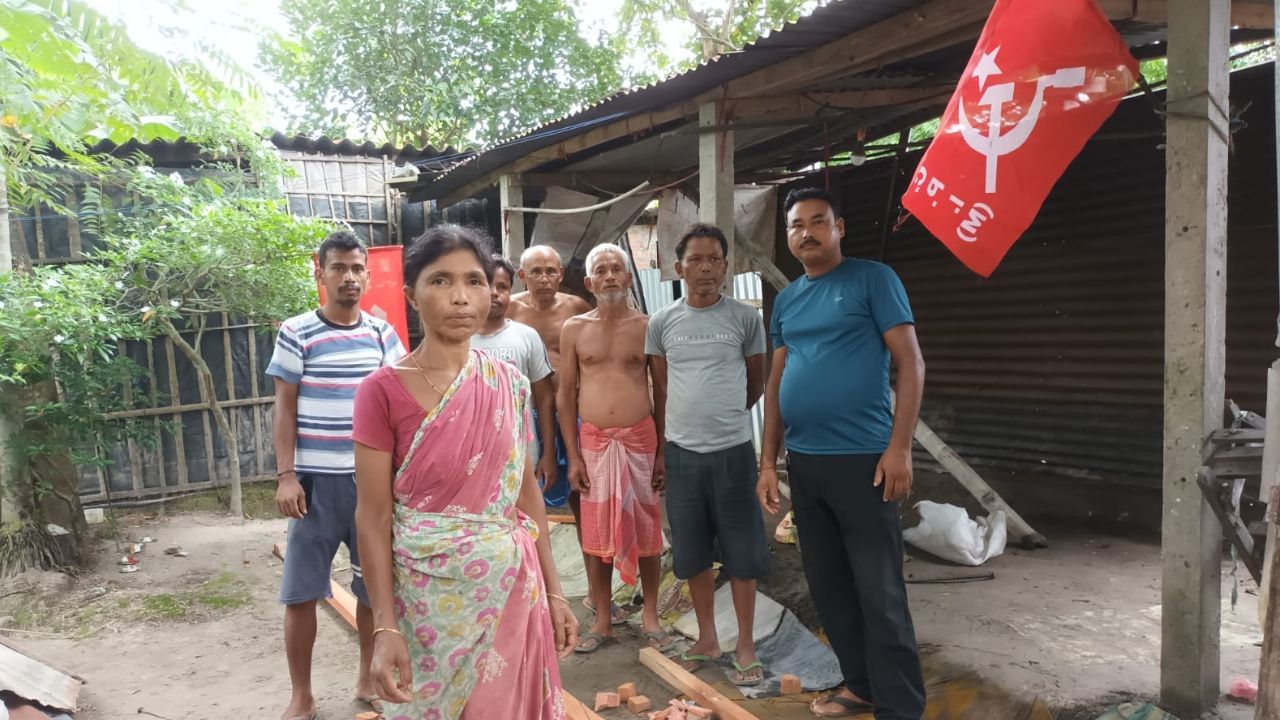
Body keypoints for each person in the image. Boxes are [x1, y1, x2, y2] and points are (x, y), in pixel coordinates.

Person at [351, 225, 578, 720]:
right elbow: (373, 517)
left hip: (513, 592)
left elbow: (525, 497)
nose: (461, 298)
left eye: (475, 281)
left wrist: (556, 591)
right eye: (441, 281)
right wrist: (385, 627)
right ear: (411, 294)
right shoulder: (381, 392)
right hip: (427, 602)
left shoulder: (509, 383)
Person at [757, 188, 927, 720]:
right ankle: (861, 687)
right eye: (796, 226)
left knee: (879, 590)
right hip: (806, 464)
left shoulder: (873, 279)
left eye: (818, 222)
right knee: (830, 585)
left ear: (839, 227)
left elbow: (912, 364)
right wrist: (769, 461)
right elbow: (778, 378)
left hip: (866, 460)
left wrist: (899, 449)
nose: (806, 232)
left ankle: (900, 706)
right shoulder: (787, 300)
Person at [267, 230, 406, 720]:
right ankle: (301, 695)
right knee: (302, 591)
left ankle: (368, 679)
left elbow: (397, 409)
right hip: (312, 485)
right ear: (319, 271)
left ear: (367, 274)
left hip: (373, 485)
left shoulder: (382, 336)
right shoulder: (298, 332)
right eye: (338, 268)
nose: (349, 277)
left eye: (356, 268)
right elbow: (284, 409)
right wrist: (286, 475)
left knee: (372, 588)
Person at [646, 223, 770, 684]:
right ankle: (706, 638)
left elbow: (756, 382)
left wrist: (724, 416)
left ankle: (744, 645)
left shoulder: (744, 319)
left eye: (714, 259)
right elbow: (661, 389)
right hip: (682, 455)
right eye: (695, 260)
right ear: (678, 268)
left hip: (734, 452)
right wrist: (666, 447)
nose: (704, 268)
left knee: (742, 552)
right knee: (693, 551)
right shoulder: (662, 323)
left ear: (725, 266)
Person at [558, 242, 673, 655]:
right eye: (601, 270)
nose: (609, 276)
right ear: (589, 282)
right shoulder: (574, 328)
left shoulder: (648, 325)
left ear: (627, 277)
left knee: (647, 530)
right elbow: (564, 395)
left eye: (616, 269)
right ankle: (602, 619)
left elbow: (662, 390)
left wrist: (662, 451)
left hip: (640, 440)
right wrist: (572, 455)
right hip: (593, 443)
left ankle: (651, 616)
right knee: (595, 534)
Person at [507, 245, 591, 508]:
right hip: (528, 415)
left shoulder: (576, 307)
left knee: (581, 489)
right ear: (522, 275)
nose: (544, 278)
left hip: (572, 411)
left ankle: (589, 547)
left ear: (561, 274)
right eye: (536, 272)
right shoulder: (510, 310)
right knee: (527, 491)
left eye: (550, 271)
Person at [471, 254, 558, 490]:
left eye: (502, 287)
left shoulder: (526, 336)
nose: (493, 293)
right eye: (486, 285)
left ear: (512, 290)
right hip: (470, 457)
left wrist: (548, 454)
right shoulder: (458, 340)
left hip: (522, 455)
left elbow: (545, 398)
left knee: (525, 523)